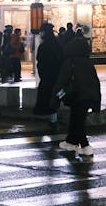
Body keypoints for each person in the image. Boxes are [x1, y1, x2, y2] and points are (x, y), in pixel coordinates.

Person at [53, 28, 101, 156]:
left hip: (75, 95)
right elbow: (95, 83)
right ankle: (70, 142)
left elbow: (61, 81)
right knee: (76, 119)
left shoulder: (70, 62)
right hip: (88, 96)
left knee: (78, 121)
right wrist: (97, 103)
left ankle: (85, 146)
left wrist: (55, 98)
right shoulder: (88, 63)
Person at [33, 22, 62, 125]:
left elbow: (39, 60)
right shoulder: (56, 44)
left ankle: (51, 118)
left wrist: (42, 73)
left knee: (47, 96)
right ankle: (54, 118)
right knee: (54, 97)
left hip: (47, 76)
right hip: (55, 75)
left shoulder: (44, 45)